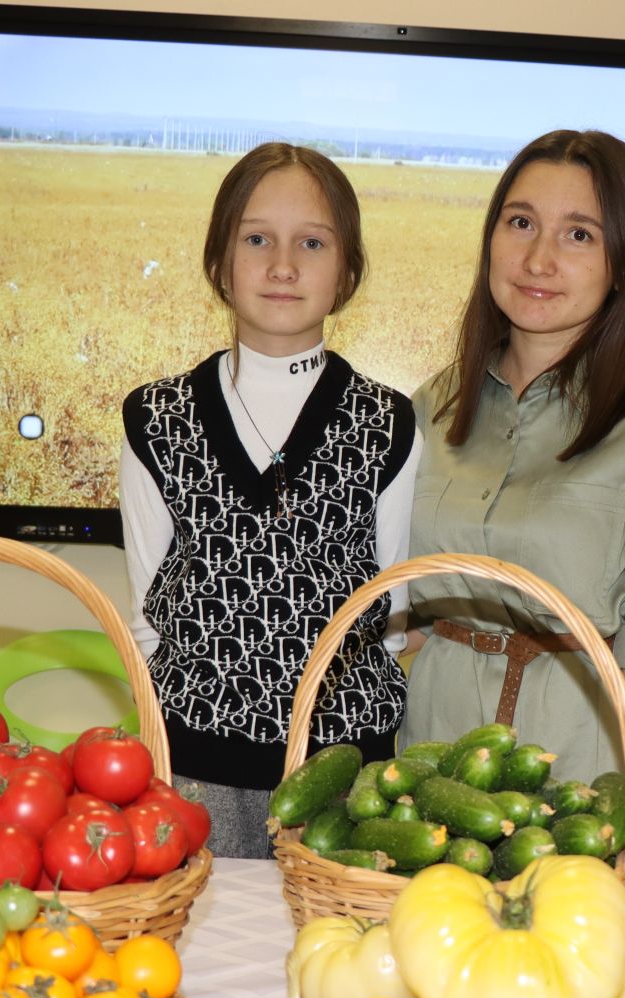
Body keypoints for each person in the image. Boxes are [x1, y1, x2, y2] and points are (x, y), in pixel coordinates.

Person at [403, 129, 625, 847]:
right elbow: (400, 604)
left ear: (621, 264)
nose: (539, 259)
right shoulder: (436, 404)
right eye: (520, 223)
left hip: (577, 785)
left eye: (579, 234)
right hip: (425, 774)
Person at [120, 143, 421, 857]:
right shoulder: (157, 417)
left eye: (312, 243)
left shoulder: (388, 423)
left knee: (336, 957)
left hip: (344, 774)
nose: (283, 265)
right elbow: (145, 619)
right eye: (257, 239)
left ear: (346, 271)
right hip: (194, 769)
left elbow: (393, 611)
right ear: (219, 263)